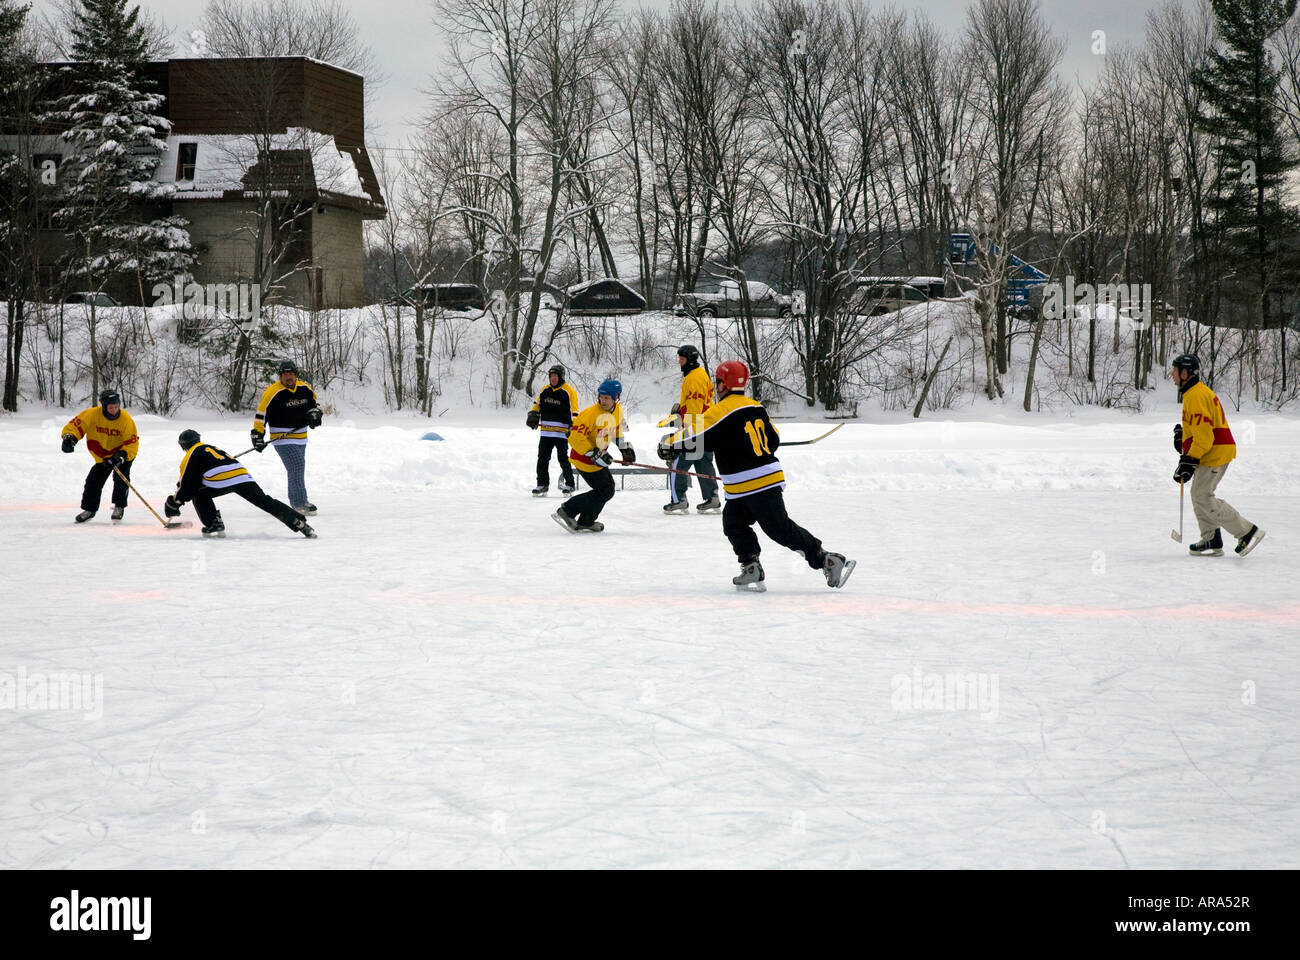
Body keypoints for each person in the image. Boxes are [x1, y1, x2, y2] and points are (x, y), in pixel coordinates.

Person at [658, 360, 855, 590]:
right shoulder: (757, 407)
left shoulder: (721, 411)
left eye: (718, 381)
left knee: (779, 529)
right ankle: (751, 566)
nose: (716, 386)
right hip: (747, 485)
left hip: (755, 484)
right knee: (733, 523)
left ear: (725, 384)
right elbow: (774, 439)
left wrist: (668, 443)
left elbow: (697, 433)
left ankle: (827, 560)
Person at [1170, 352, 1264, 557]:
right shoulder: (1193, 393)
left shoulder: (1195, 395)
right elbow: (1198, 429)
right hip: (1209, 451)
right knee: (1198, 495)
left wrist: (1188, 460)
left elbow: (1204, 438)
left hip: (1214, 452)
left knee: (1202, 495)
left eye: (1175, 370)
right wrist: (1183, 442)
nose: (1172, 374)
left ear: (1185, 373)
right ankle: (1211, 538)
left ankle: (1247, 532)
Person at [166, 430, 316, 538]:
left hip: (220, 479)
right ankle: (297, 521)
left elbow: (187, 484)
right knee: (264, 501)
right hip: (242, 476)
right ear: (198, 439)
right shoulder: (212, 447)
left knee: (198, 493)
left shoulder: (190, 455)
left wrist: (174, 502)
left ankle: (214, 524)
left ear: (182, 446)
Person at [552, 378, 635, 533]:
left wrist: (624, 448)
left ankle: (585, 521)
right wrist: (593, 453)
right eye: (601, 397)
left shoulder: (618, 410)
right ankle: (568, 511)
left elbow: (616, 430)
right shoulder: (590, 414)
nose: (603, 401)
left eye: (607, 398)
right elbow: (575, 437)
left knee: (606, 489)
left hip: (598, 459)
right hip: (583, 458)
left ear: (616, 398)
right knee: (605, 490)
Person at [251, 359, 323, 515]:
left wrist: (316, 413)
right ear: (280, 376)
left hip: (301, 436)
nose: (288, 377)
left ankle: (300, 500)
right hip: (282, 438)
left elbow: (314, 404)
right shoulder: (272, 392)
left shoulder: (305, 388)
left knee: (296, 468)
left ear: (295, 375)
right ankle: (299, 503)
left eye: (291, 374)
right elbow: (261, 415)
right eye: (285, 375)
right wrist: (258, 434)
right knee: (297, 465)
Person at [60, 389, 139, 523]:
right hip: (102, 456)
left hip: (122, 455)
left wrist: (121, 456)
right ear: (103, 406)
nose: (114, 410)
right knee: (93, 481)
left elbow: (132, 443)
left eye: (116, 407)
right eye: (110, 407)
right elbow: (75, 426)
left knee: (121, 479)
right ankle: (90, 509)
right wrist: (69, 437)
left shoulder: (125, 419)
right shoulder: (91, 414)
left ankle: (119, 507)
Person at [664, 344, 721, 514]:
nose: (679, 363)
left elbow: (694, 410)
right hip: (707, 427)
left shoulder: (693, 379)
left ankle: (678, 499)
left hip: (696, 428)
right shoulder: (700, 374)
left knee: (677, 463)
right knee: (703, 462)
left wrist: (685, 434)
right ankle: (713, 497)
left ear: (690, 360)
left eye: (682, 359)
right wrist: (681, 408)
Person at [527, 363, 579, 496]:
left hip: (561, 433)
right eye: (551, 376)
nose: (553, 379)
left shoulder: (569, 391)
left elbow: (575, 412)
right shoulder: (545, 390)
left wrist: (572, 426)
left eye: (556, 376)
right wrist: (533, 415)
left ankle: (570, 484)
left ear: (561, 377)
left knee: (563, 459)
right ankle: (542, 484)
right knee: (542, 459)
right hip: (546, 432)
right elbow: (537, 404)